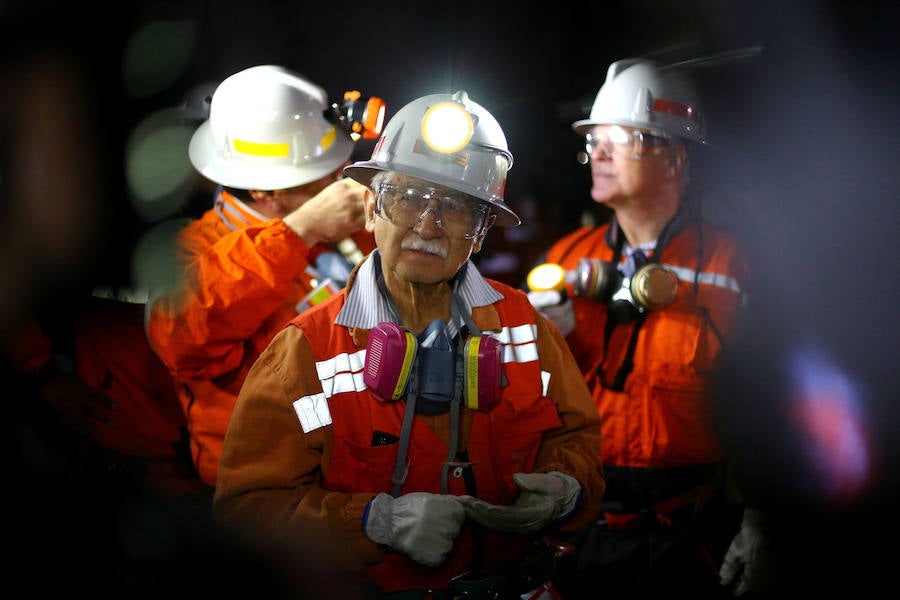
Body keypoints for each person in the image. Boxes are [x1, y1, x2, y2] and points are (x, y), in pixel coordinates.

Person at [213, 90, 606, 599]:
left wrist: (565, 490)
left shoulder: (523, 326)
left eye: (457, 208)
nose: (428, 226)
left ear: (482, 233)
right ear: (371, 208)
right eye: (408, 198)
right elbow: (248, 511)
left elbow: (579, 445)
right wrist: (375, 521)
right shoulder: (306, 351)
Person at [526, 58, 765, 597]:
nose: (598, 154)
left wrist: (760, 519)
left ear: (674, 158)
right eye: (594, 141)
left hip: (692, 534)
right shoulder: (563, 261)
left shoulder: (733, 265)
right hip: (579, 532)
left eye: (621, 139)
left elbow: (772, 400)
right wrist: (531, 352)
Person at [146, 65, 385, 490]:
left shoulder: (341, 230)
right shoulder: (192, 251)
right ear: (265, 190)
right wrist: (298, 232)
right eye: (325, 171)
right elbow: (180, 337)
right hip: (268, 489)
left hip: (360, 461)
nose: (340, 178)